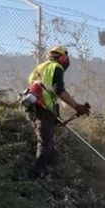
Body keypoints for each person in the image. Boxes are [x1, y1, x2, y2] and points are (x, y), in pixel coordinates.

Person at [24, 45, 90, 177]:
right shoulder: (57, 67)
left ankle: (55, 173)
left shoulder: (41, 67)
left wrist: (55, 116)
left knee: (48, 143)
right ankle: (35, 177)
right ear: (63, 57)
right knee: (45, 143)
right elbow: (58, 90)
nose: (67, 61)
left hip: (34, 108)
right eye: (66, 58)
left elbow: (42, 90)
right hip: (43, 108)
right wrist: (77, 107)